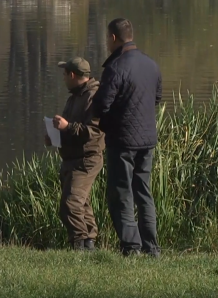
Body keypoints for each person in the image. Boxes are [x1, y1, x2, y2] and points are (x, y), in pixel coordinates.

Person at [92, 18, 162, 257]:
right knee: (144, 192)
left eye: (107, 39)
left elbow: (101, 105)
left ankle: (131, 248)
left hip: (122, 141)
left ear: (113, 38)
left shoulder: (116, 67)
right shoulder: (151, 65)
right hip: (147, 140)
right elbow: (157, 98)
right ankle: (151, 248)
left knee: (121, 193)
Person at [45, 57, 106, 251]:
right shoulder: (75, 97)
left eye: (64, 74)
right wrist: (55, 136)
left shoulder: (93, 96)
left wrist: (67, 126)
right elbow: (71, 129)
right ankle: (89, 246)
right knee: (82, 204)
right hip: (71, 158)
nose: (63, 78)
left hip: (86, 159)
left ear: (72, 75)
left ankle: (79, 246)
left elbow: (94, 132)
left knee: (70, 204)